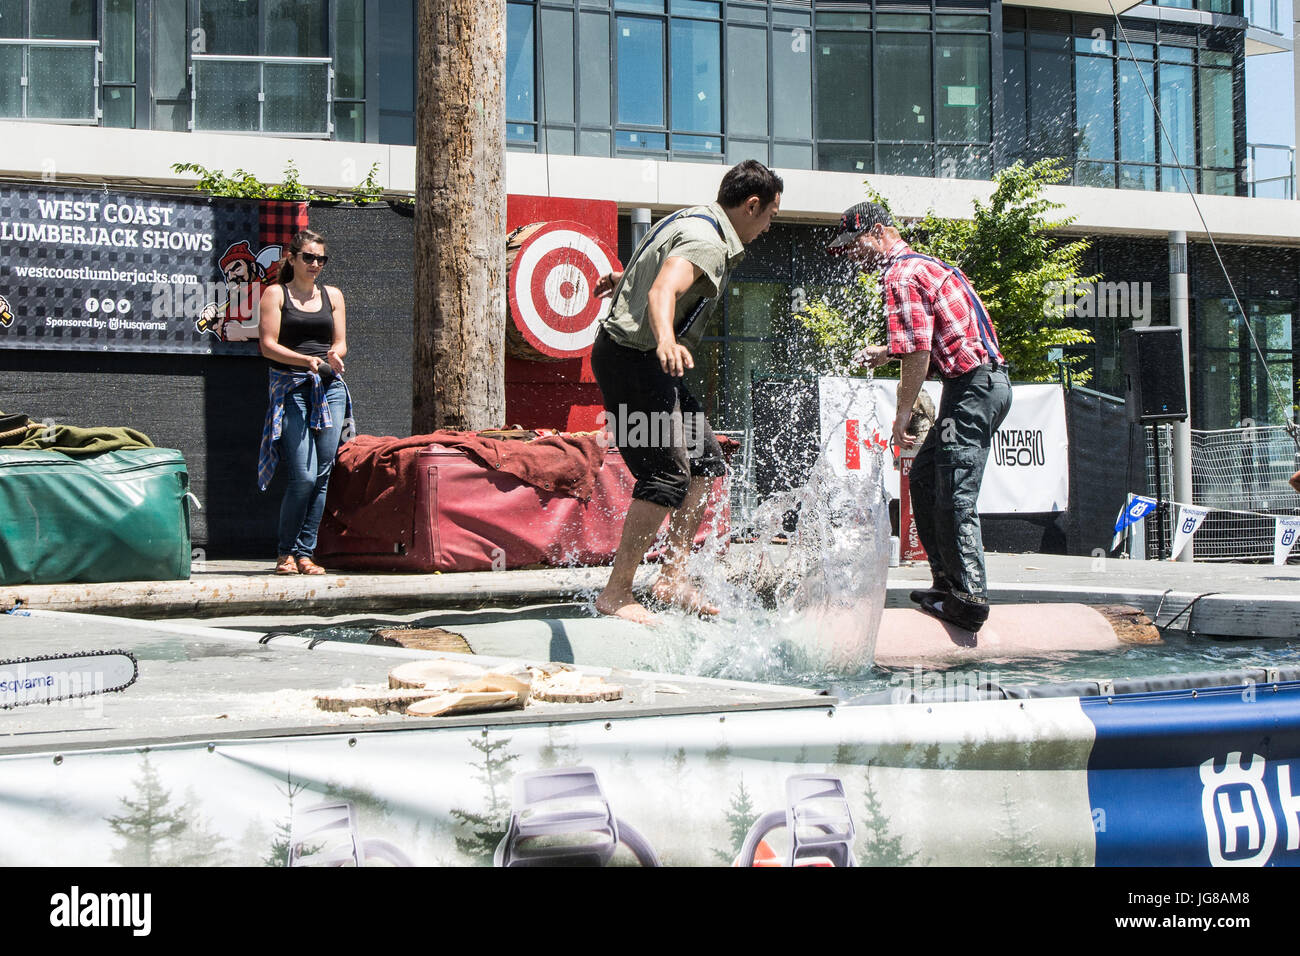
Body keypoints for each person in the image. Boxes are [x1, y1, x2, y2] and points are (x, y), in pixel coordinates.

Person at [591, 160, 783, 625]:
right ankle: (616, 593)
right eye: (771, 216)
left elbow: (654, 268)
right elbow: (662, 291)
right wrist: (665, 340)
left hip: (647, 364)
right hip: (634, 363)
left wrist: (622, 283)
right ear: (752, 205)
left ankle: (673, 576)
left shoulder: (691, 217)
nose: (769, 227)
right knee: (666, 476)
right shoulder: (708, 241)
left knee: (704, 461)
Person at [831, 202, 1011, 632]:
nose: (853, 256)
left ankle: (969, 601)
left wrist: (902, 413)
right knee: (929, 476)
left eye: (855, 245)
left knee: (954, 491)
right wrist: (888, 351)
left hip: (974, 390)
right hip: (976, 386)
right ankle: (946, 585)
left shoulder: (899, 274)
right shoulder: (924, 265)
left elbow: (918, 351)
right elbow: (937, 342)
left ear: (877, 232)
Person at [256, 229, 352, 575]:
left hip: (329, 387)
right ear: (292, 258)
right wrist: (304, 361)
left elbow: (340, 343)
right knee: (304, 476)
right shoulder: (275, 294)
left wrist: (332, 356)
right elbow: (267, 345)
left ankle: (305, 554)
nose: (315, 265)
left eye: (321, 259)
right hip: (291, 386)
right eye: (309, 258)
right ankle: (285, 553)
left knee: (323, 474)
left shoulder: (333, 295)